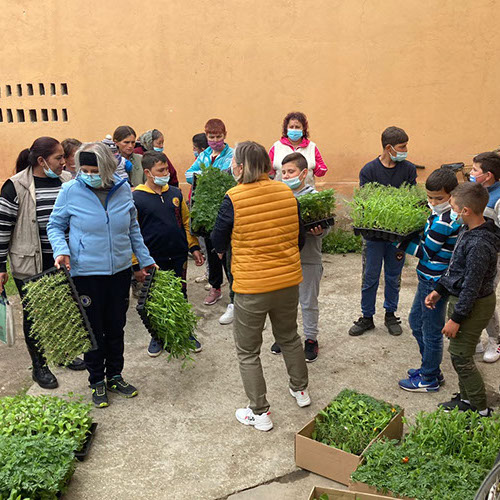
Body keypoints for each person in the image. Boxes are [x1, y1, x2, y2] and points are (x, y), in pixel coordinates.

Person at [47, 142, 155, 408]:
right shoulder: (70, 190)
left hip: (119, 272)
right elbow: (55, 225)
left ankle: (115, 376)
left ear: (107, 168)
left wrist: (145, 260)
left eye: (94, 171)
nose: (88, 175)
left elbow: (133, 228)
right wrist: (61, 250)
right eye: (84, 170)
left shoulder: (123, 190)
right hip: (86, 273)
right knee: (93, 330)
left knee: (116, 326)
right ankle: (96, 380)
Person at [211, 141, 309, 432]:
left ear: (241, 167)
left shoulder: (233, 197)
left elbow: (217, 240)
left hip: (251, 286)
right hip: (287, 282)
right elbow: (300, 239)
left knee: (248, 351)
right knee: (289, 337)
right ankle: (301, 390)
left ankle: (259, 412)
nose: (232, 168)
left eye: (234, 164)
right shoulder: (287, 193)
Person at [0, 137, 85, 389]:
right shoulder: (16, 186)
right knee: (35, 315)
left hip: (63, 261)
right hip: (31, 263)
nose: (63, 162)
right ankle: (39, 366)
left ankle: (64, 353)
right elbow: (2, 229)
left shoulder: (67, 181)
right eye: (58, 158)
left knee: (64, 309)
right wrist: (0, 267)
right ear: (41, 160)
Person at [425, 182, 500, 416]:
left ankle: (479, 409)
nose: (452, 213)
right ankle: (466, 398)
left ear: (466, 211)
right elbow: (456, 268)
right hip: (464, 300)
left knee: (461, 356)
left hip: (473, 304)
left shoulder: (479, 244)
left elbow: (471, 287)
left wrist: (456, 319)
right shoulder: (468, 231)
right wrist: (440, 289)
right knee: (459, 353)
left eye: (454, 208)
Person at [132, 151, 205, 356]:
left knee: (181, 294)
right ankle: (158, 336)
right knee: (156, 298)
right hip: (153, 260)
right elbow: (132, 232)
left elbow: (186, 221)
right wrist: (136, 263)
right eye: (161, 170)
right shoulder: (136, 198)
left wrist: (194, 247)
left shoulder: (175, 193)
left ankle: (185, 332)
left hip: (178, 254)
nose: (166, 173)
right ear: (148, 172)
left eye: (166, 169)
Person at [349, 126, 417, 337]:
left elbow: (411, 198)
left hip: (398, 235)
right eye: (402, 147)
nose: (405, 150)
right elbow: (366, 202)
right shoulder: (369, 170)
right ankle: (367, 317)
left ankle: (390, 314)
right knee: (370, 276)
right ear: (389, 148)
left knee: (393, 276)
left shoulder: (408, 169)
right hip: (374, 236)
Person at [397, 168, 461, 392]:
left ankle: (429, 378)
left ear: (452, 195)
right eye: (430, 197)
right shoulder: (438, 215)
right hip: (427, 277)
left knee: (431, 331)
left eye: (439, 198)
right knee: (416, 323)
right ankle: (431, 368)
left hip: (435, 282)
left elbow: (426, 252)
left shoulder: (445, 220)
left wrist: (399, 243)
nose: (433, 202)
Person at [270, 152, 330, 362]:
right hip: (283, 259)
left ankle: (311, 339)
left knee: (308, 302)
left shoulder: (315, 197)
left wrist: (319, 232)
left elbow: (326, 227)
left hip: (308, 259)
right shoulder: (278, 197)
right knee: (283, 303)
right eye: (284, 172)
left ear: (303, 173)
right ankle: (285, 337)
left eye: (291, 172)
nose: (286, 176)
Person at [185, 119, 234, 306]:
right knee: (212, 252)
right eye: (211, 137)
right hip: (206, 210)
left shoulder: (231, 155)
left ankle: (235, 290)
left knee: (228, 253)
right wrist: (205, 175)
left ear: (225, 135)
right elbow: (189, 174)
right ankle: (215, 287)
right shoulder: (204, 155)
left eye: (218, 136)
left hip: (224, 208)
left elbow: (230, 175)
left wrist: (206, 175)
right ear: (206, 137)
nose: (215, 140)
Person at [469, 152, 500, 362]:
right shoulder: (479, 192)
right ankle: (476, 338)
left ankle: (495, 340)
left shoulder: (497, 199)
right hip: (475, 254)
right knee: (472, 294)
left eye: (474, 170)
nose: (471, 173)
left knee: (485, 296)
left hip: (492, 257)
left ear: (487, 175)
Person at [269, 111, 328, 186]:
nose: (294, 129)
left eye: (297, 127)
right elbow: (267, 171)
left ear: (303, 130)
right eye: (291, 127)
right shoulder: (276, 146)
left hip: (307, 192)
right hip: (282, 191)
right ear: (286, 129)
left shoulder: (311, 147)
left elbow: (322, 171)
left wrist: (313, 164)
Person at [191, 133, 210, 285]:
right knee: (204, 244)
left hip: (205, 207)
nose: (193, 150)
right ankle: (208, 272)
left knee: (210, 247)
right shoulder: (199, 162)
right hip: (198, 205)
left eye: (194, 148)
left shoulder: (207, 163)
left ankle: (213, 277)